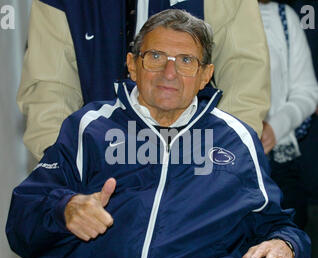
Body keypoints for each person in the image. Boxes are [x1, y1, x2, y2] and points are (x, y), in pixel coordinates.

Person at [7, 10, 310, 258]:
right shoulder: (87, 128)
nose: (169, 72)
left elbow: (277, 225)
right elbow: (23, 219)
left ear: (205, 75)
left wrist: (285, 245)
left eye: (186, 61)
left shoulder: (236, 140)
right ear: (132, 65)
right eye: (155, 57)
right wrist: (65, 208)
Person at [17, 0, 271, 161]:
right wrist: (72, 170)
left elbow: (245, 84)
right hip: (95, 175)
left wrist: (220, 166)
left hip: (198, 169)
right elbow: (48, 94)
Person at [258, 0, 318, 229]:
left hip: (279, 165)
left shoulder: (284, 16)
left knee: (288, 251)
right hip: (220, 167)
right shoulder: (205, 11)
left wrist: (274, 128)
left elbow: (307, 92)